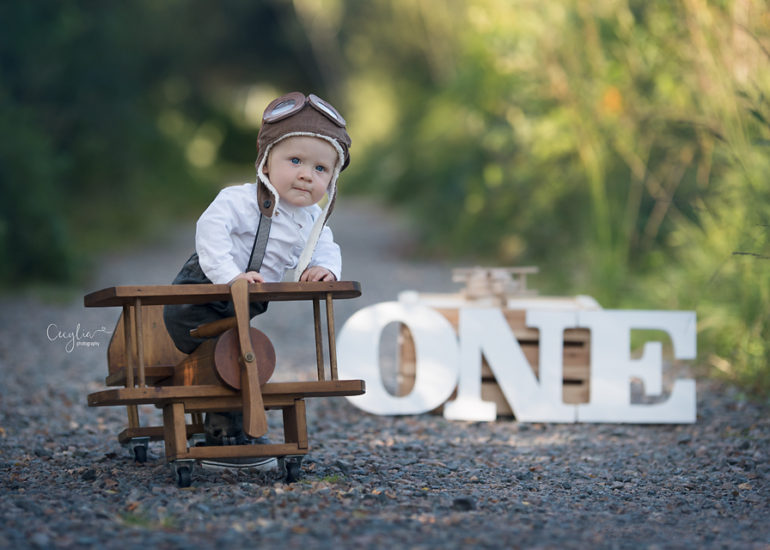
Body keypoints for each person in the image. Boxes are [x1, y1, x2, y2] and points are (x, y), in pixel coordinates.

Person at [163, 91, 352, 470]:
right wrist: (230, 276)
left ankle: (236, 425)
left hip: (243, 304)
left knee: (241, 355)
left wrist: (325, 271)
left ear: (331, 179)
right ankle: (225, 430)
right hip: (200, 293)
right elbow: (211, 231)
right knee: (226, 358)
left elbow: (325, 248)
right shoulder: (239, 200)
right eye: (295, 161)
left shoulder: (311, 218)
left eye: (320, 169)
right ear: (266, 163)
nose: (306, 174)